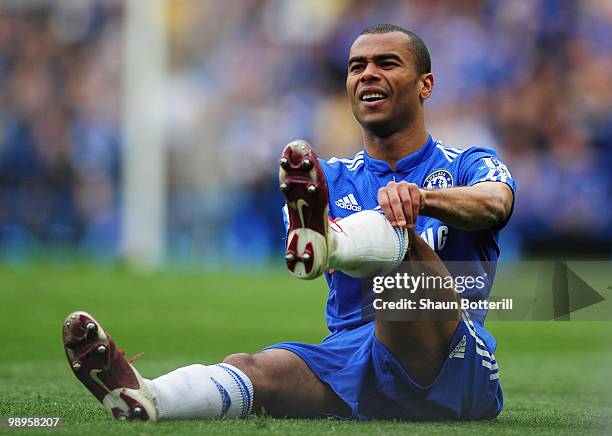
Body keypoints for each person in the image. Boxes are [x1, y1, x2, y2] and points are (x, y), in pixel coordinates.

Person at [63, 23, 515, 421]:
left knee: (401, 269)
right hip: (355, 359)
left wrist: (421, 200)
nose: (367, 74)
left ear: (426, 85)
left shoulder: (468, 162)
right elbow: (309, 266)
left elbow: (496, 203)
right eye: (356, 66)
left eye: (387, 63)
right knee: (254, 368)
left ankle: (334, 240)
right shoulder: (323, 180)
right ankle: (148, 397)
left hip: (454, 361)